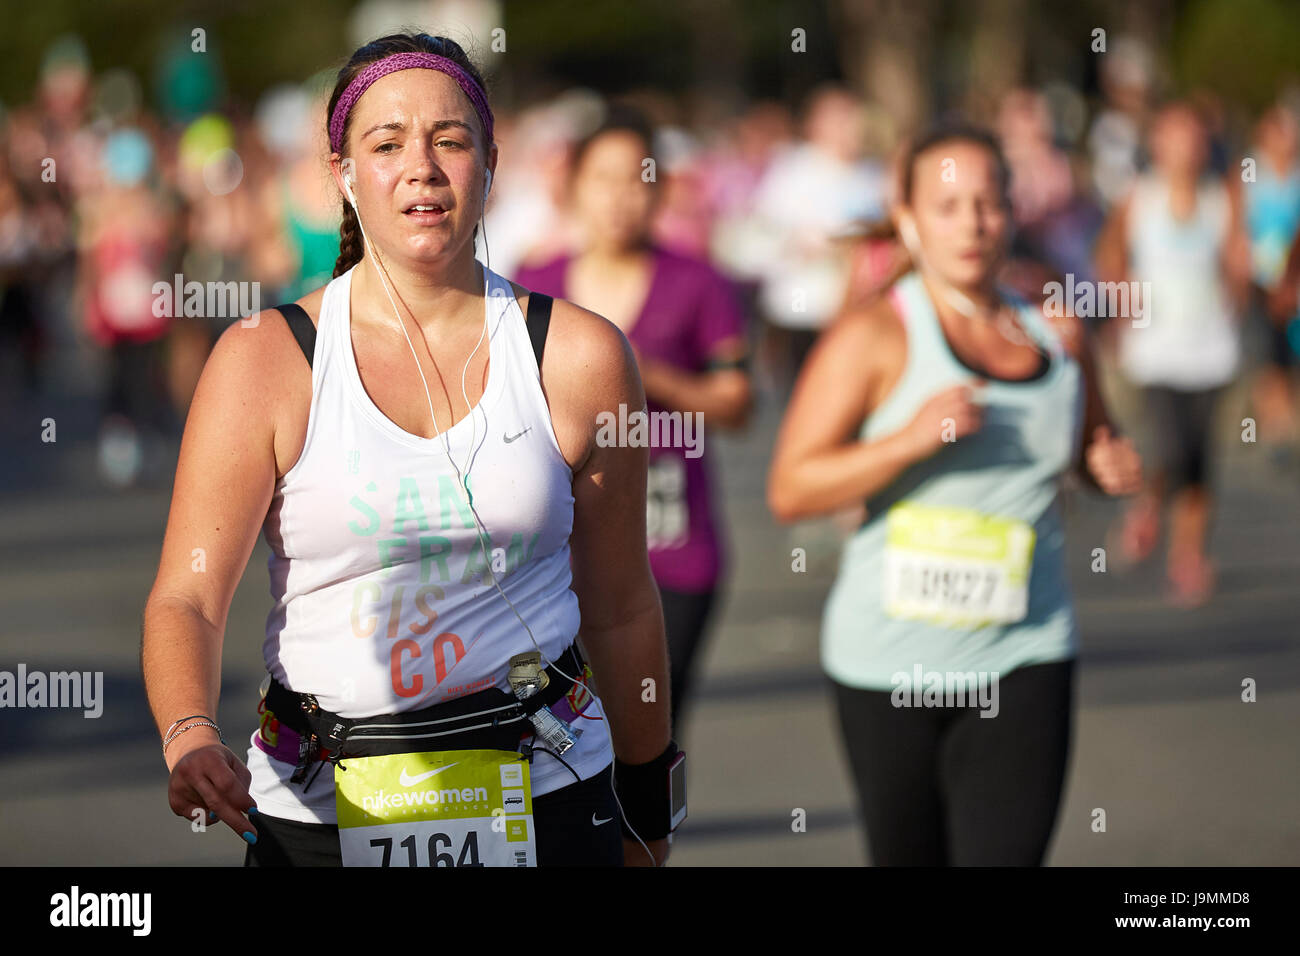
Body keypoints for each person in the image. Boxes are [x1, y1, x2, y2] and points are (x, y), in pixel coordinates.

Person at [142, 32, 681, 868]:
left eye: (451, 140)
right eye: (386, 144)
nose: (421, 167)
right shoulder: (265, 359)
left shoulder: (578, 357)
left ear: (491, 164)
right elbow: (188, 598)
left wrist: (651, 809)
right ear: (342, 175)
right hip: (319, 814)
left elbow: (621, 604)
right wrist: (190, 736)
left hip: (550, 795)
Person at [767, 123, 1142, 866]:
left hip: (1025, 651)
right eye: (946, 205)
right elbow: (790, 488)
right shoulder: (875, 335)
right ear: (907, 220)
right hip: (889, 667)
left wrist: (1111, 468)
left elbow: (1095, 447)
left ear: (1012, 212)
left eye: (988, 202)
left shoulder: (1056, 330)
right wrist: (909, 439)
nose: (971, 223)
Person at [516, 105, 752, 737]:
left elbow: (738, 403)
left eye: (637, 179)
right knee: (558, 739)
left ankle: (647, 837)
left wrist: (648, 375)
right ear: (572, 188)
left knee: (647, 730)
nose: (620, 198)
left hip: (673, 552)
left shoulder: (698, 282)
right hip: (554, 557)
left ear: (660, 190)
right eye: (603, 178)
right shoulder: (532, 287)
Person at [1095, 102, 1250, 606]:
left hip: (1211, 351)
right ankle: (1148, 504)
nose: (1185, 148)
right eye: (1174, 137)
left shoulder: (1222, 198)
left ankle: (1188, 557)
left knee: (1202, 460)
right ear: (1157, 144)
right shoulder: (1139, 198)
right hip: (1155, 352)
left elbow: (1238, 261)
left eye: (1194, 137)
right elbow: (1109, 258)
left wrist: (1240, 290)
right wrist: (1122, 305)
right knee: (1170, 448)